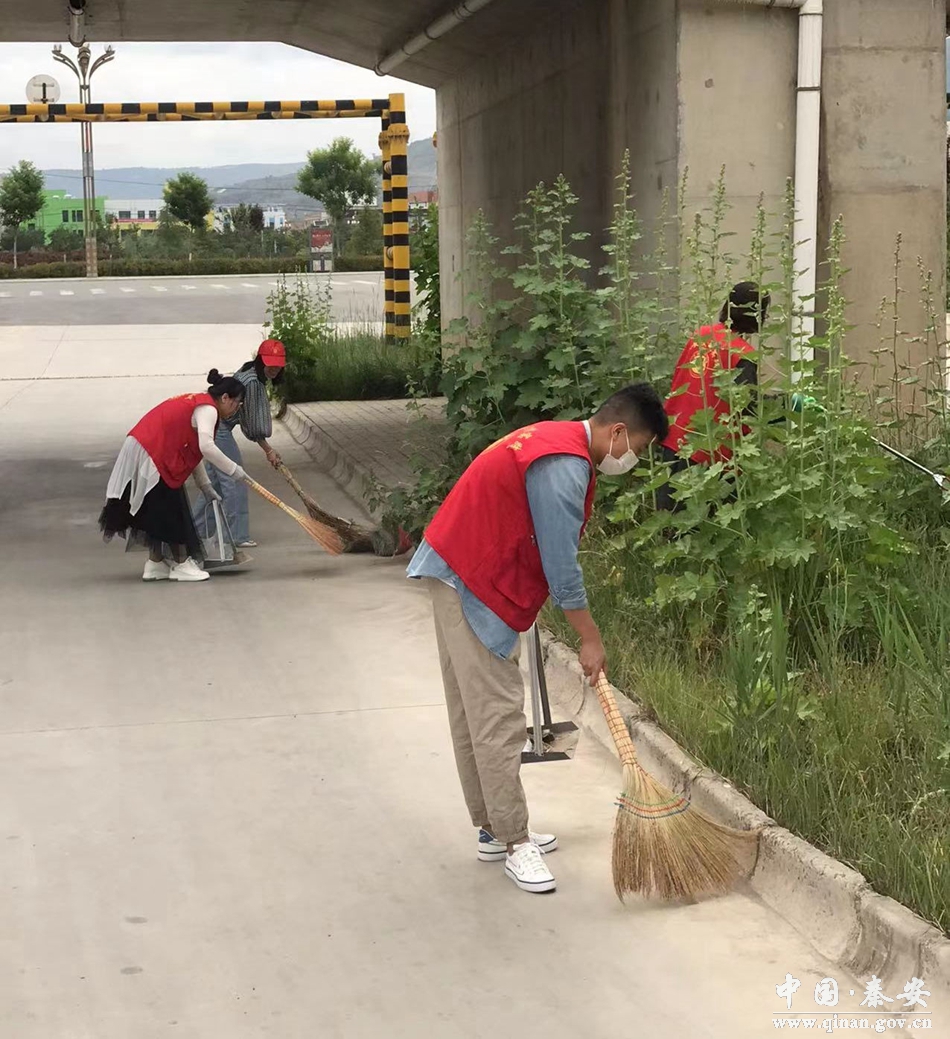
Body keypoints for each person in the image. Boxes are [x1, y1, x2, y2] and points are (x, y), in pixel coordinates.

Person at [407, 385, 669, 894]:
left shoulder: (556, 439)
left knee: (475, 712)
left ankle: (493, 827)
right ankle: (513, 842)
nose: (633, 459)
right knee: (497, 715)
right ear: (618, 432)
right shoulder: (564, 465)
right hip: (472, 577)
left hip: (457, 566)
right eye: (638, 447)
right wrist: (590, 639)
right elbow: (561, 566)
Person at [99, 375, 248, 582]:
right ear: (225, 398)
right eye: (237, 403)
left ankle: (155, 563)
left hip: (147, 447)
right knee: (173, 508)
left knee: (159, 507)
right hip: (152, 451)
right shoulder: (208, 409)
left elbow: (195, 451)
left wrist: (205, 485)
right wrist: (234, 470)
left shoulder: (198, 402)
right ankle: (181, 563)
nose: (236, 409)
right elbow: (206, 447)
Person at [656, 281, 769, 513]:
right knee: (706, 525)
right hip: (711, 455)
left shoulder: (700, 336)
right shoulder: (742, 354)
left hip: (676, 439)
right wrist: (789, 405)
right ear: (756, 314)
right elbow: (748, 407)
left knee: (672, 521)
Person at [195, 339, 286, 549]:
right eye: (270, 363)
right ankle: (235, 536)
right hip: (218, 428)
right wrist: (269, 451)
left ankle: (197, 531)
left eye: (278, 364)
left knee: (214, 485)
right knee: (235, 479)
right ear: (261, 360)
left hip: (215, 426)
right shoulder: (252, 382)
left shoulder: (251, 373)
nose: (273, 368)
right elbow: (252, 424)